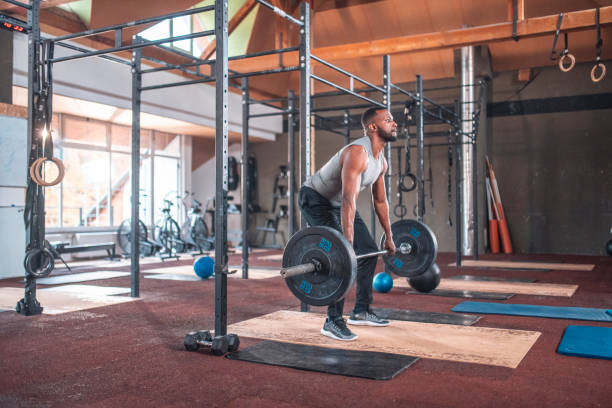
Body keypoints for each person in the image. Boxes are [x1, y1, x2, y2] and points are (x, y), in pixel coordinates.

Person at [298, 107, 397, 341]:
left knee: (370, 251)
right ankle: (333, 321)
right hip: (316, 199)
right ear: (373, 127)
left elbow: (380, 202)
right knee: (341, 256)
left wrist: (390, 236)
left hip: (337, 203)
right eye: (388, 120)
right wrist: (346, 244)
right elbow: (347, 199)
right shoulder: (357, 152)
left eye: (394, 120)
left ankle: (361, 310)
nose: (395, 124)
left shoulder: (380, 162)